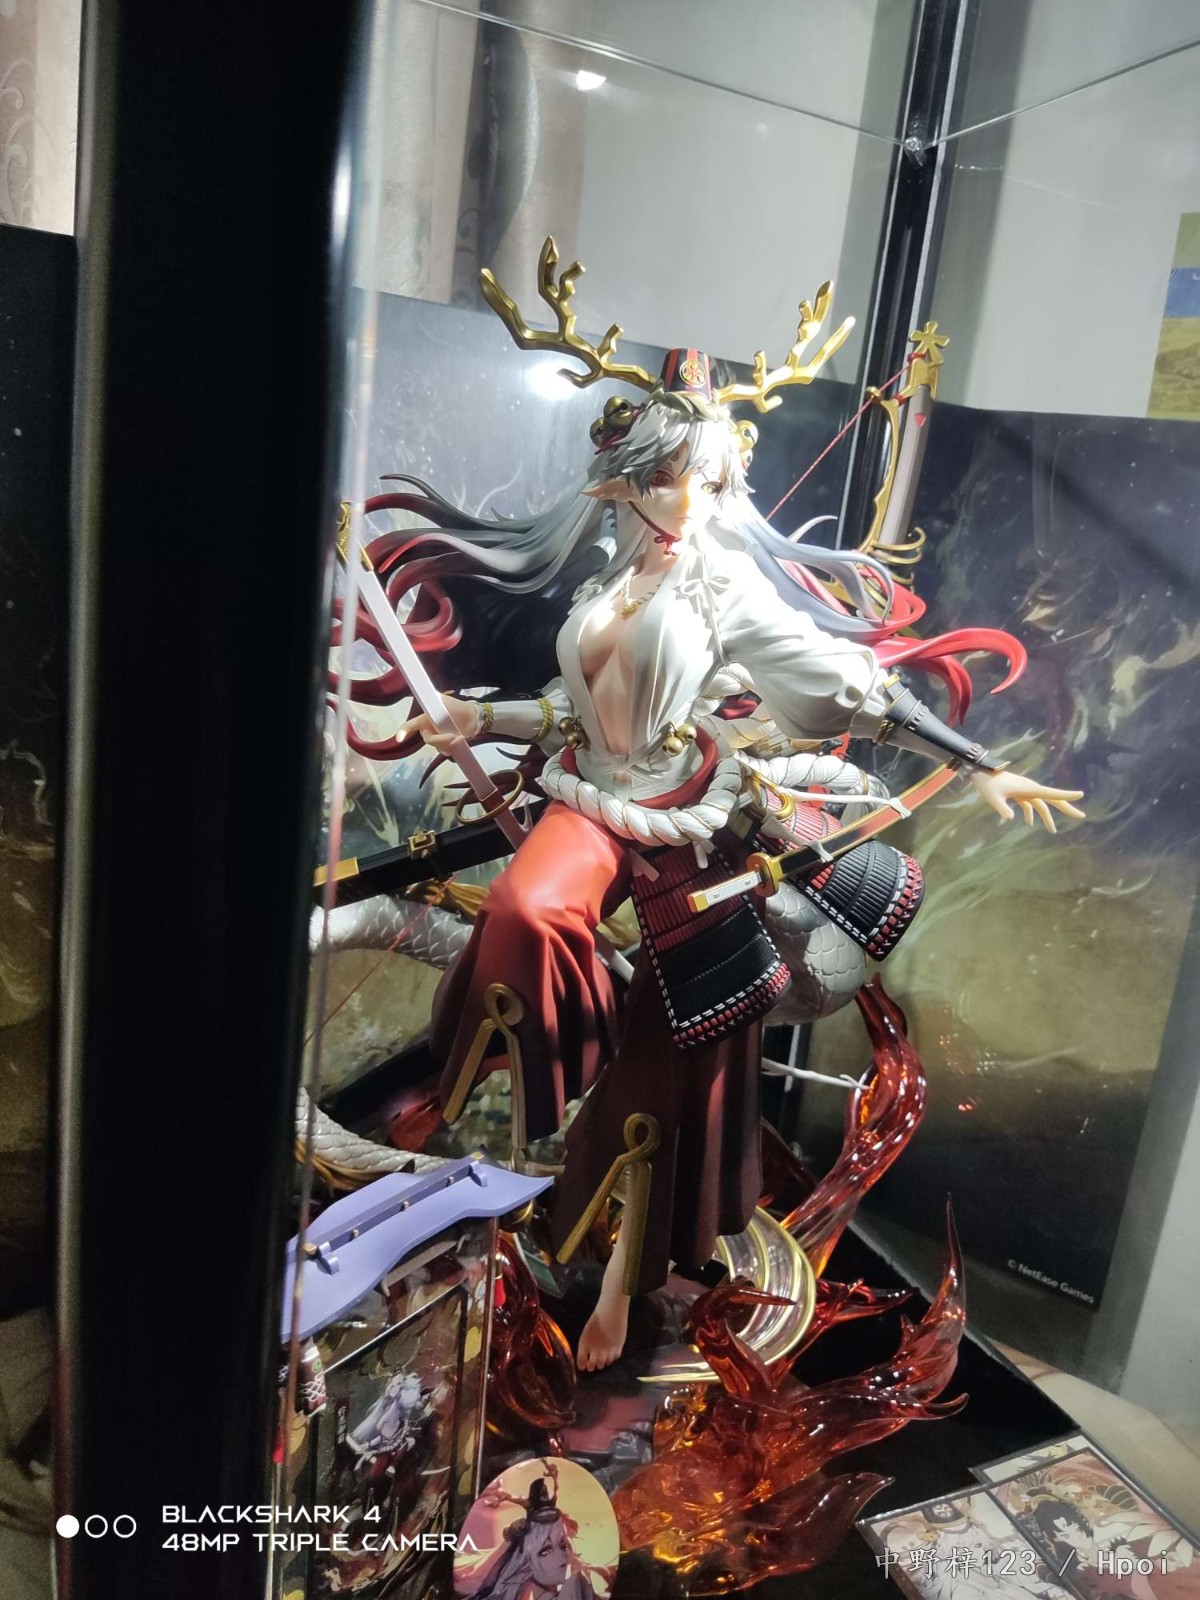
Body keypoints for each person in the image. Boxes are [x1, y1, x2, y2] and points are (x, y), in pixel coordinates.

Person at [350, 245, 1084, 1370]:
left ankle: (622, 1281)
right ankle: (504, 1084)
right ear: (623, 482)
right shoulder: (606, 580)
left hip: (690, 817)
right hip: (590, 796)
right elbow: (570, 706)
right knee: (522, 914)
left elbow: (845, 681)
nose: (690, 500)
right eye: (669, 478)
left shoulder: (720, 582)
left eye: (704, 479)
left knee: (674, 1075)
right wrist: (473, 718)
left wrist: (974, 757)